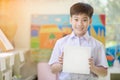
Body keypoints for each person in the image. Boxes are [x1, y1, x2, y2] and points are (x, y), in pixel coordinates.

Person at [48, 2, 108, 80]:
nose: (80, 24)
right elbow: (52, 70)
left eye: (84, 20)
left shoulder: (98, 45)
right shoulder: (60, 43)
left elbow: (104, 73)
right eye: (76, 19)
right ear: (71, 20)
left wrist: (93, 67)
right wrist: (62, 64)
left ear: (90, 21)